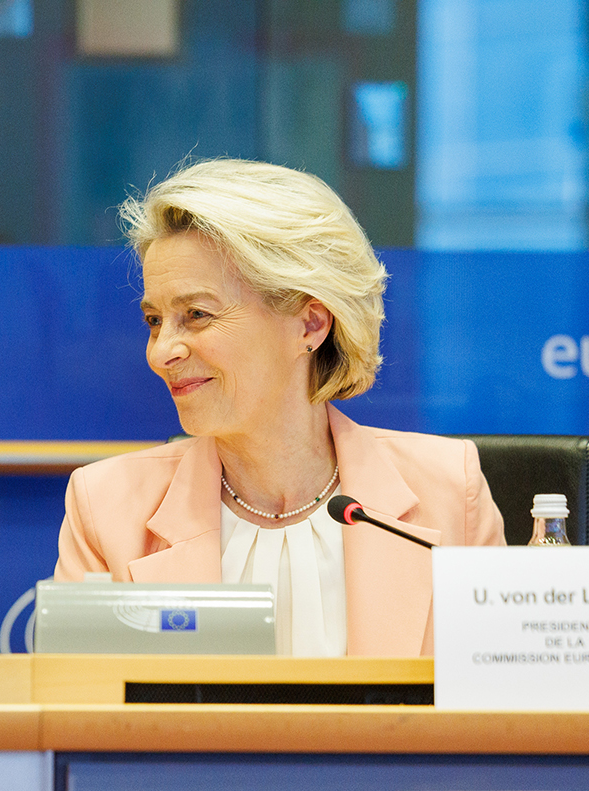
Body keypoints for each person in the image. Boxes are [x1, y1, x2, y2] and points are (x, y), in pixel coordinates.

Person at [54, 158, 504, 656]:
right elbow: (86, 722)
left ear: (310, 325)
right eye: (155, 320)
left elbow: (503, 714)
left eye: (197, 315)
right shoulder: (106, 507)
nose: (162, 352)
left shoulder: (448, 493)